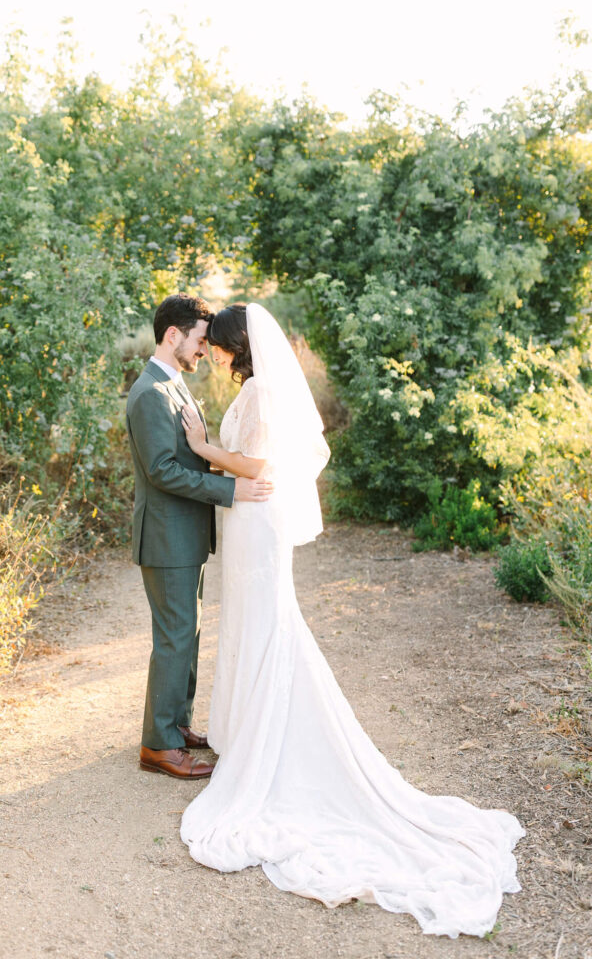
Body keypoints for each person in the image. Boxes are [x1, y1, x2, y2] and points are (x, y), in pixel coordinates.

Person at [178, 302, 525, 938]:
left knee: (265, 629)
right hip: (252, 526)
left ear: (236, 345)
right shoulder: (258, 389)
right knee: (261, 630)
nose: (217, 354)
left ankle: (261, 746)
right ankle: (247, 734)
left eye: (221, 345)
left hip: (255, 524)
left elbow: (261, 467)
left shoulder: (257, 391)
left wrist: (203, 448)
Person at [126, 294, 273, 781]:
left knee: (185, 633)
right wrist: (230, 489)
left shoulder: (176, 387)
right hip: (166, 537)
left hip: (184, 534)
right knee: (173, 638)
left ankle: (176, 724)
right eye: (199, 340)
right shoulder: (150, 393)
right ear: (174, 335)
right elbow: (163, 471)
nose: (205, 350)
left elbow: (190, 455)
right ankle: (159, 746)